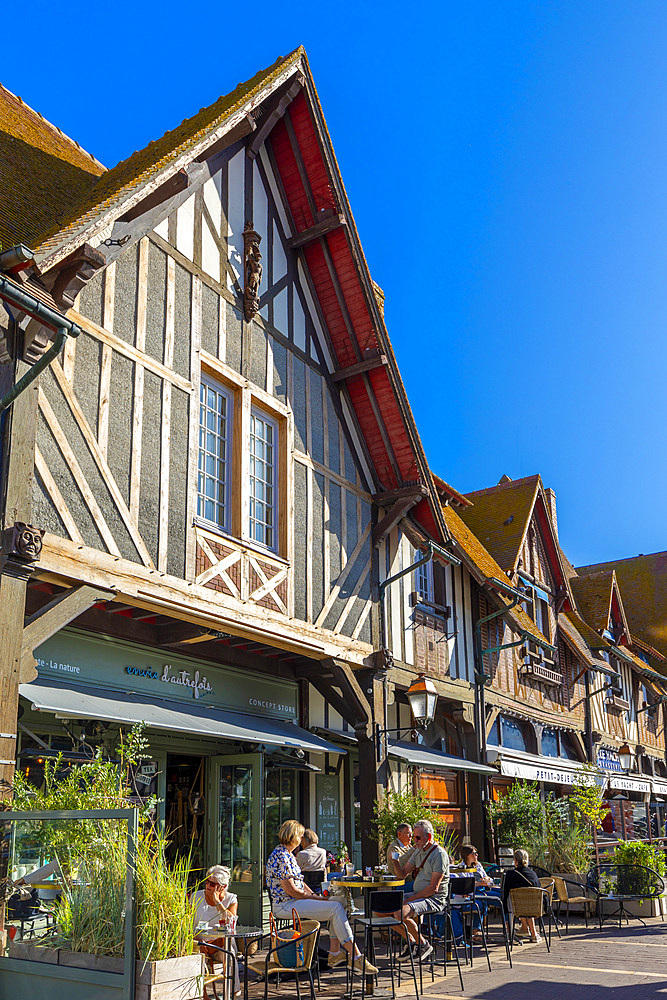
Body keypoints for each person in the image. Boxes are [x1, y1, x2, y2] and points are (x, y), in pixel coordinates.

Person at [266, 819, 378, 974]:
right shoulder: (281, 856)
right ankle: (354, 956)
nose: (301, 839)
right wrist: (315, 898)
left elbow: (299, 883)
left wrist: (314, 895)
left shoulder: (288, 854)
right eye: (299, 836)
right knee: (335, 907)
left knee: (339, 902)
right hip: (286, 905)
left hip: (295, 901)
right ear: (292, 836)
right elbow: (291, 890)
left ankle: (336, 953)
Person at [379, 819, 449, 961]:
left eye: (417, 837)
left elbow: (433, 889)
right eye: (413, 836)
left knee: (400, 913)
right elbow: (402, 874)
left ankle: (423, 944)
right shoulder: (418, 851)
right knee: (379, 909)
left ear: (428, 837)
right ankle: (412, 941)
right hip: (418, 894)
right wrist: (395, 862)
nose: (413, 840)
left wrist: (409, 900)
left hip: (434, 899)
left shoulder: (439, 855)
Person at [192, 865, 240, 994]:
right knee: (196, 958)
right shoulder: (196, 897)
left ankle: (230, 992)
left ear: (223, 887)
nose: (208, 886)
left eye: (212, 884)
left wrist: (217, 902)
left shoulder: (231, 899)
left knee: (229, 954)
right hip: (199, 943)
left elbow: (231, 924)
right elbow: (187, 925)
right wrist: (197, 942)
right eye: (207, 881)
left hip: (221, 943)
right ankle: (202, 995)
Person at [502, 849, 543, 943]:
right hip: (533, 908)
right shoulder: (533, 874)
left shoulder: (510, 875)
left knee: (509, 900)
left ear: (515, 861)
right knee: (527, 901)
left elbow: (505, 892)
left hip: (515, 909)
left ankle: (513, 932)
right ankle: (533, 933)